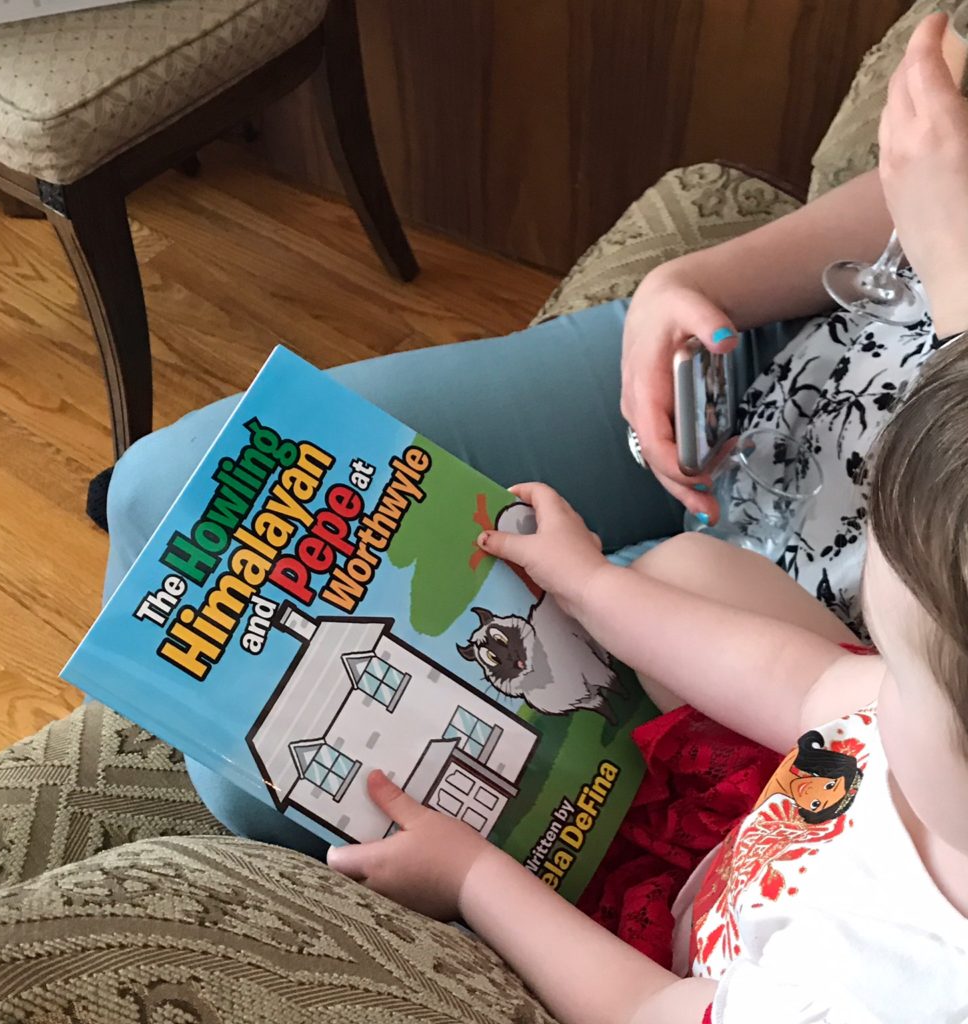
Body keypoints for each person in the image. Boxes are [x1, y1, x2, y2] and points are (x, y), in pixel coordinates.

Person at [105, 10, 960, 864]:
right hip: (791, 356)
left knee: (250, 786)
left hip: (872, 607)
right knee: (163, 483)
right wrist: (690, 281)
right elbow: (930, 168)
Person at [324, 23, 968, 1021]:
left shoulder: (863, 995)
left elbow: (642, 1008)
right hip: (792, 824)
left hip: (690, 961)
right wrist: (592, 584)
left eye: (890, 654)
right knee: (681, 577)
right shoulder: (923, 713)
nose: (875, 680)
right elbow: (809, 683)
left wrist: (474, 880)